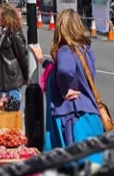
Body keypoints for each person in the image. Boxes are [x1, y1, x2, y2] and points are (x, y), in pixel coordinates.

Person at [28, 9, 106, 155]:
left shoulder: (65, 50)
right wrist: (41, 59)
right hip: (89, 114)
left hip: (72, 116)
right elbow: (59, 68)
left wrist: (65, 90)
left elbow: (63, 70)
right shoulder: (85, 50)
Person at [0, 3, 29, 109]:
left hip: (12, 80)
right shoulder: (4, 32)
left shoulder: (14, 33)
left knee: (14, 112)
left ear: (6, 16)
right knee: (5, 113)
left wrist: (26, 76)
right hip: (3, 81)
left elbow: (23, 57)